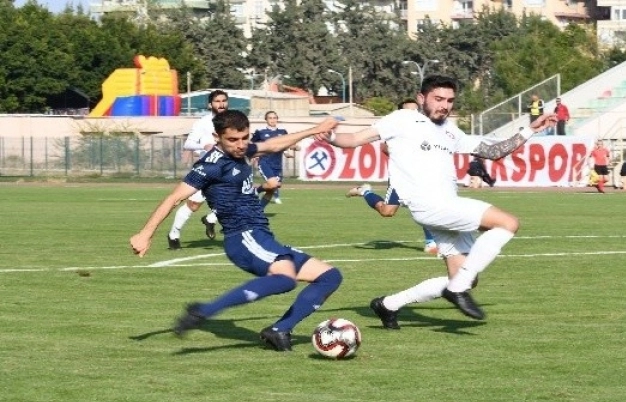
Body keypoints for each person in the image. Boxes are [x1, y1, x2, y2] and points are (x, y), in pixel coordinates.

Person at [324, 75, 557, 325]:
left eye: (449, 100)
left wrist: (531, 129)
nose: (444, 105)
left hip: (446, 208)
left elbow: (494, 151)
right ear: (421, 98)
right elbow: (354, 140)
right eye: (438, 99)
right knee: (508, 223)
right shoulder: (403, 119)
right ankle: (456, 290)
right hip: (429, 206)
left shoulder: (450, 131)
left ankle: (388, 304)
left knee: (466, 277)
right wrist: (329, 136)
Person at [130, 111, 341, 351]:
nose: (241, 145)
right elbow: (173, 198)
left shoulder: (243, 150)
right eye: (233, 140)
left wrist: (315, 129)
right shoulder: (210, 166)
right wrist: (145, 233)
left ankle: (279, 330)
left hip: (261, 237)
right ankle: (203, 311)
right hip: (242, 237)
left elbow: (272, 145)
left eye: (244, 137)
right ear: (217, 137)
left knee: (330, 277)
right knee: (285, 279)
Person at [345, 98, 439, 255]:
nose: (412, 113)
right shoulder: (394, 128)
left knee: (426, 207)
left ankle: (431, 243)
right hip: (401, 179)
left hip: (420, 177)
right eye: (407, 110)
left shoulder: (425, 127)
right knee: (387, 212)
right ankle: (365, 191)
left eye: (415, 110)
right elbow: (384, 146)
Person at [167, 90, 227, 250]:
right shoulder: (203, 123)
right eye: (217, 101)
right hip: (207, 168)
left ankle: (211, 219)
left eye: (224, 100)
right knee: (193, 205)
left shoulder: (233, 120)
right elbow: (188, 144)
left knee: (235, 198)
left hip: (227, 167)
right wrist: (204, 146)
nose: (221, 104)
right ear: (210, 104)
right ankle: (174, 234)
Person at [252, 111, 295, 205]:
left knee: (272, 189)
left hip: (277, 164)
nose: (272, 120)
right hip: (265, 162)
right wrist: (253, 156)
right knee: (273, 184)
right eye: (270, 118)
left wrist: (288, 151)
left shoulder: (282, 132)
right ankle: (254, 191)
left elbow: (286, 145)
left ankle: (259, 210)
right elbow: (252, 145)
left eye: (274, 118)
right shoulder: (260, 132)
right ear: (266, 120)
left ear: (277, 119)